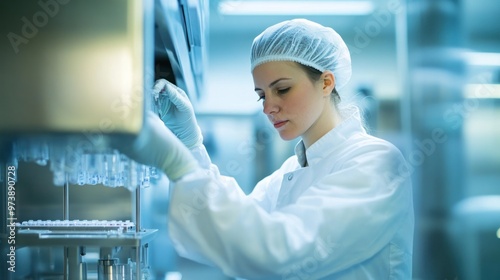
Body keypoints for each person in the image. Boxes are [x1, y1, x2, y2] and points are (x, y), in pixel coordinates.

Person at [120, 18, 414, 280]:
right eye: (261, 95)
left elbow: (279, 254)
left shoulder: (376, 163)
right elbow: (239, 238)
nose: (269, 107)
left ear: (326, 83)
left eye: (282, 89)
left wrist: (178, 163)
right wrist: (191, 146)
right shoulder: (289, 174)